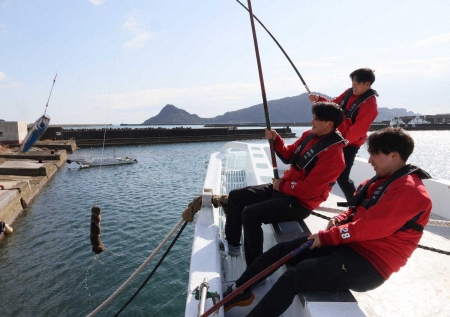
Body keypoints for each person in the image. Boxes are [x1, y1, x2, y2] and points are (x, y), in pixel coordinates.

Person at [223, 127, 432, 316]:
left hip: (369, 264)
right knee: (282, 251)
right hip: (347, 246)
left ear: (394, 155)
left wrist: (326, 237)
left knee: (294, 277)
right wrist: (338, 218)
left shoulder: (410, 191)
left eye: (374, 155)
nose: (369, 162)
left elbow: (370, 228)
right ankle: (240, 290)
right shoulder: (380, 181)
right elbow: (354, 212)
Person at [224, 102, 346, 267]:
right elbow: (288, 155)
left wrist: (281, 186)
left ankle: (256, 271)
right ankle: (232, 245)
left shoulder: (334, 156)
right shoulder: (309, 136)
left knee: (250, 214)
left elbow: (308, 191)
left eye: (316, 119)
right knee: (236, 196)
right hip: (284, 189)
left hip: (299, 203)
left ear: (329, 124)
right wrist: (276, 139)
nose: (312, 121)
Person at [309, 68, 378, 202]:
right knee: (318, 166)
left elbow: (359, 129)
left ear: (367, 84)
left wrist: (342, 142)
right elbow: (334, 104)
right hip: (336, 139)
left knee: (342, 177)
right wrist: (319, 99)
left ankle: (355, 205)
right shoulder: (349, 92)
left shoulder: (370, 104)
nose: (353, 86)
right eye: (352, 82)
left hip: (349, 144)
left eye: (357, 83)